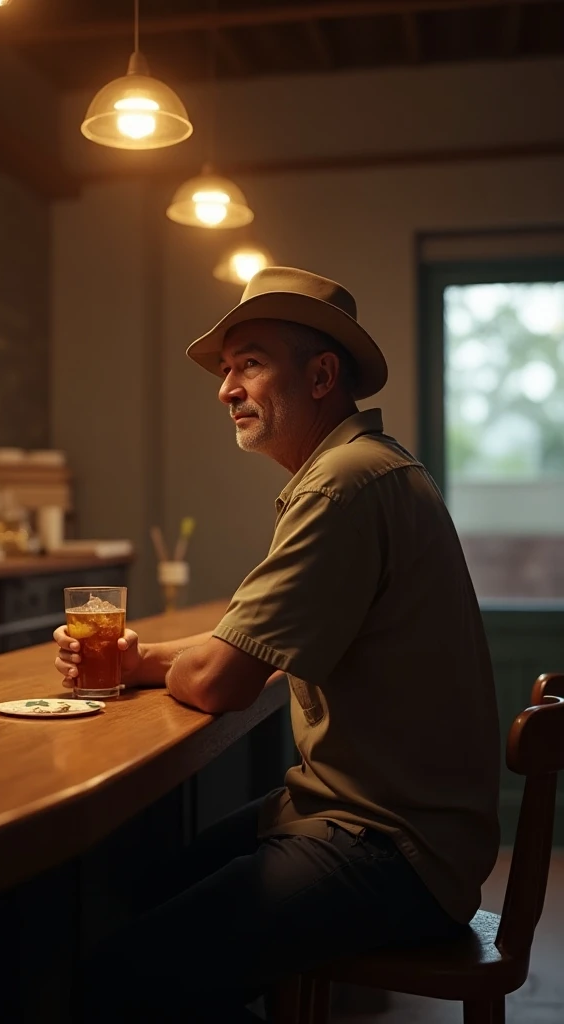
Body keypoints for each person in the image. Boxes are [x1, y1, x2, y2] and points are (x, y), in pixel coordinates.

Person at [54, 268, 501, 1023]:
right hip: (392, 824)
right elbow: (244, 639)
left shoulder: (342, 488)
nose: (227, 387)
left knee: (116, 974)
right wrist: (140, 662)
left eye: (250, 363)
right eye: (226, 370)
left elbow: (225, 679)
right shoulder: (361, 469)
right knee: (143, 886)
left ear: (322, 375)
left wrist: (161, 664)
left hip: (394, 848)